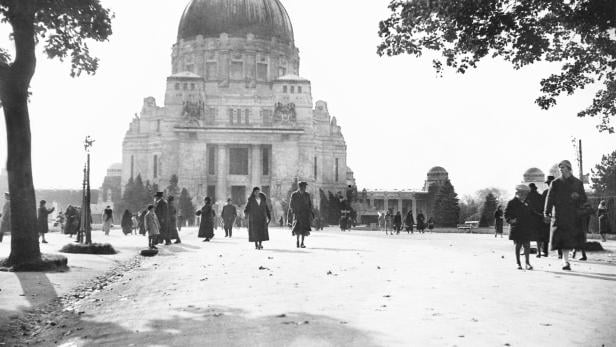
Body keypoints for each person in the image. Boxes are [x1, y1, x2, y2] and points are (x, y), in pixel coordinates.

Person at [545, 160, 588, 271]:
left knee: (570, 239)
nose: (561, 169)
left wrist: (577, 196)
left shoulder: (578, 183)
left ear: (569, 168)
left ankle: (566, 260)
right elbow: (549, 198)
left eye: (563, 167)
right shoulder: (555, 183)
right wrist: (547, 212)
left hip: (573, 215)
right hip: (560, 215)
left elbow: (584, 199)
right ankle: (565, 261)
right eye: (560, 168)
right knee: (563, 239)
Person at [505, 185, 534, 270]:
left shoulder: (528, 202)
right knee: (518, 245)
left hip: (526, 226)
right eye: (522, 194)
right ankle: (518, 263)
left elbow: (532, 212)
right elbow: (506, 214)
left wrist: (541, 216)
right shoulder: (512, 202)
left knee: (527, 245)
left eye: (525, 194)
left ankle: (527, 263)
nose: (524, 196)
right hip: (517, 227)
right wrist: (510, 220)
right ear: (518, 193)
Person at [289, 181, 314, 248]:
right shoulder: (294, 194)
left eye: (305, 187)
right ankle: (297, 241)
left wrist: (310, 211)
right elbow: (291, 204)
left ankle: (302, 242)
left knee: (304, 229)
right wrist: (293, 211)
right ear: (300, 187)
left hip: (305, 214)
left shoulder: (307, 195)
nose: (305, 188)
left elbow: (309, 204)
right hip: (297, 214)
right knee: (297, 229)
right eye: (303, 187)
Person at [525, 183, 545, 258]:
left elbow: (525, 206)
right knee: (538, 236)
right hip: (538, 218)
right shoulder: (540, 196)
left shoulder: (528, 196)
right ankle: (539, 252)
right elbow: (543, 206)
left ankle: (526, 250)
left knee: (527, 236)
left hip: (529, 218)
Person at [539, 176, 556, 255]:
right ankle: (560, 253)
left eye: (549, 183)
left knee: (545, 233)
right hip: (555, 215)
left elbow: (542, 204)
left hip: (548, 215)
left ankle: (544, 250)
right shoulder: (559, 192)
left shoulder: (546, 192)